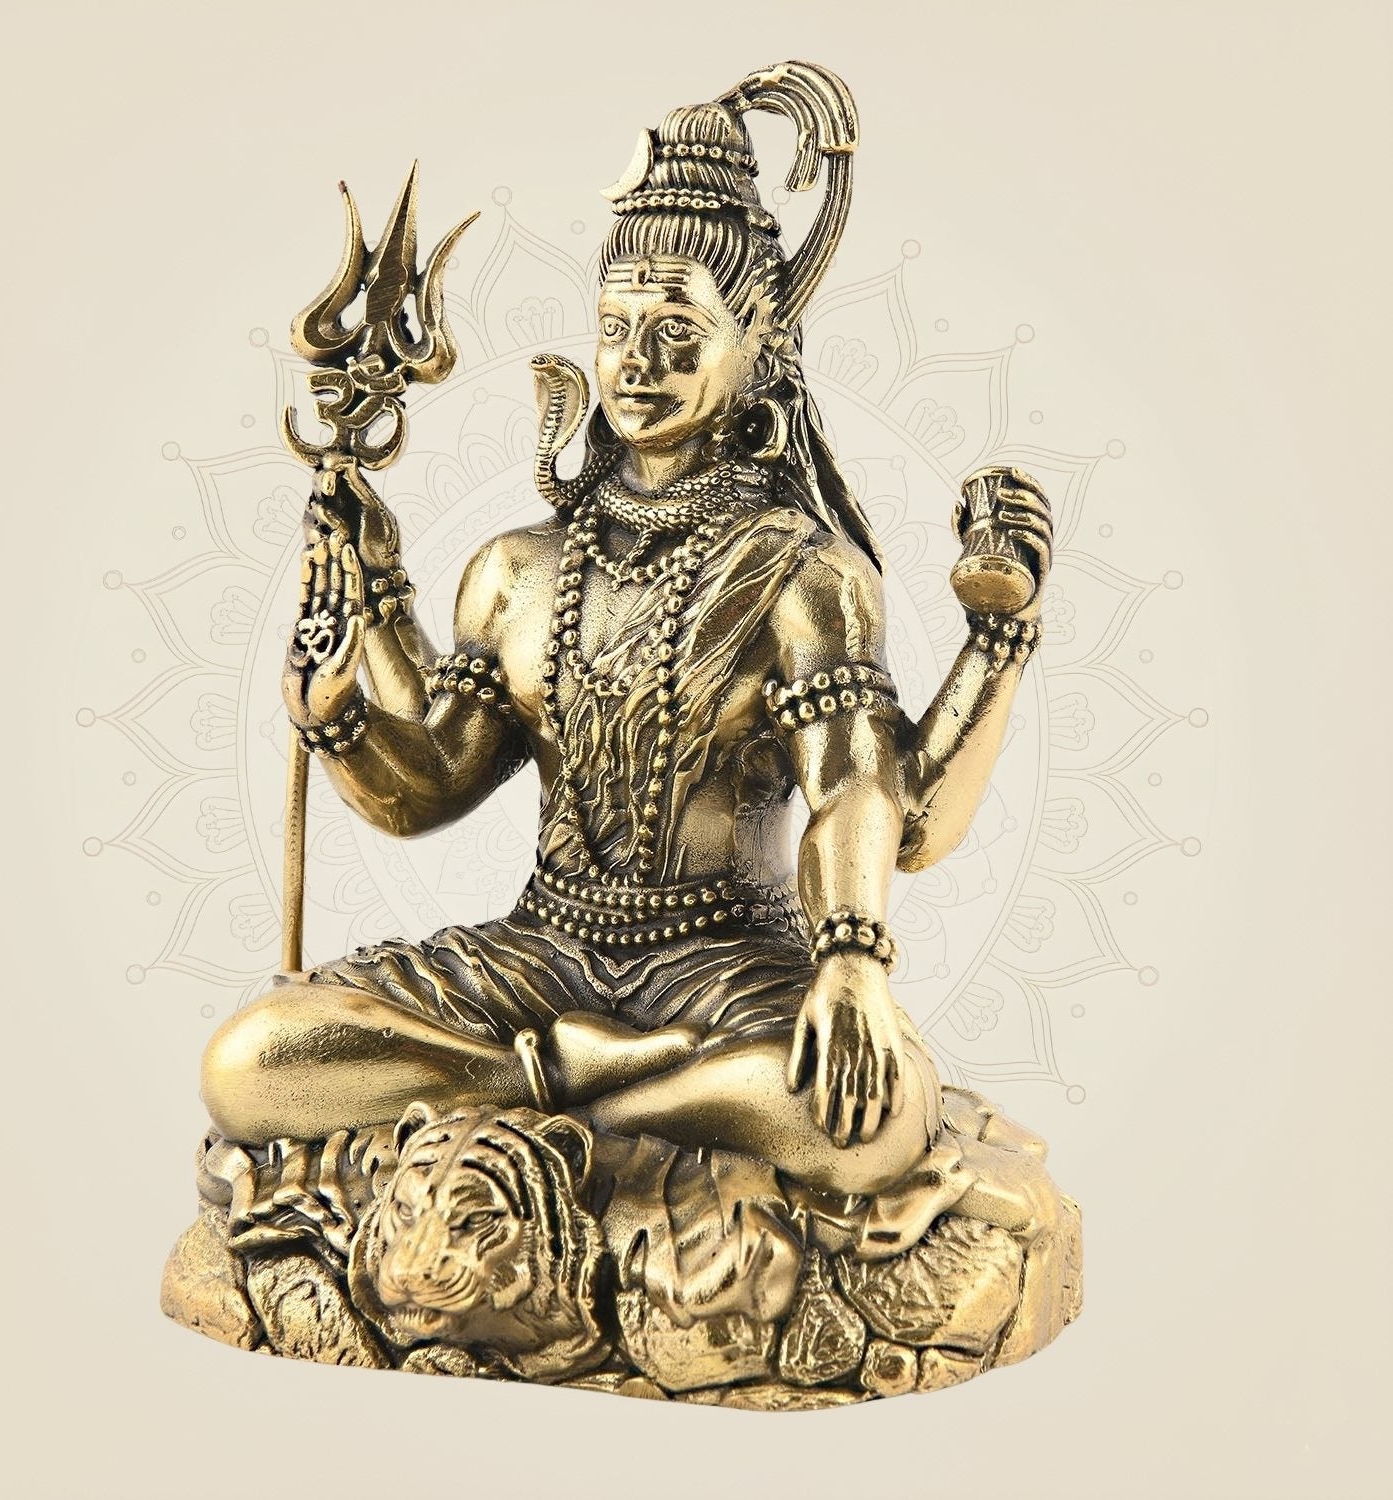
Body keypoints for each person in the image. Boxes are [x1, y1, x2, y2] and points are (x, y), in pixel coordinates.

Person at [201, 61, 1052, 1201]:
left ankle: (547, 1091)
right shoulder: (518, 570)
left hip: (724, 964)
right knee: (254, 1057)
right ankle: (583, 1083)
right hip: (542, 951)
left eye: (677, 331)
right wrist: (340, 712)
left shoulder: (805, 573)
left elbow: (860, 792)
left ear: (759, 346)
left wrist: (851, 961)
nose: (636, 365)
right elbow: (432, 786)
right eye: (616, 330)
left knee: (872, 1116)